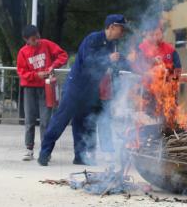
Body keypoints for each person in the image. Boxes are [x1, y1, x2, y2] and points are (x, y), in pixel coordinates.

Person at [38, 14, 128, 166]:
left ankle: (80, 156)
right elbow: (88, 61)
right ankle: (44, 153)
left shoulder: (112, 45)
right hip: (76, 86)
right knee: (61, 119)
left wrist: (144, 70)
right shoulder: (92, 39)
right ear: (112, 27)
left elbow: (120, 62)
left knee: (83, 123)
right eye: (121, 28)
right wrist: (108, 59)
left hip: (91, 89)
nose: (123, 32)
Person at [17, 25, 68, 161]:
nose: (36, 41)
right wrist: (36, 75)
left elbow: (63, 55)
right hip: (29, 88)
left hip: (46, 87)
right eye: (33, 40)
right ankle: (29, 149)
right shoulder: (23, 52)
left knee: (46, 120)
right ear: (26, 40)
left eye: (37, 37)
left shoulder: (46, 44)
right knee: (29, 120)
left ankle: (45, 150)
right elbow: (21, 72)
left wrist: (53, 66)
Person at [128, 20, 182, 127]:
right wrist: (150, 65)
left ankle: (170, 138)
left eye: (158, 34)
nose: (155, 37)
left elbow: (178, 68)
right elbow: (136, 66)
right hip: (148, 92)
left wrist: (172, 77)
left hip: (168, 92)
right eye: (153, 34)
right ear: (148, 34)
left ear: (162, 33)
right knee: (149, 121)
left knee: (169, 120)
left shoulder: (170, 49)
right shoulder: (141, 48)